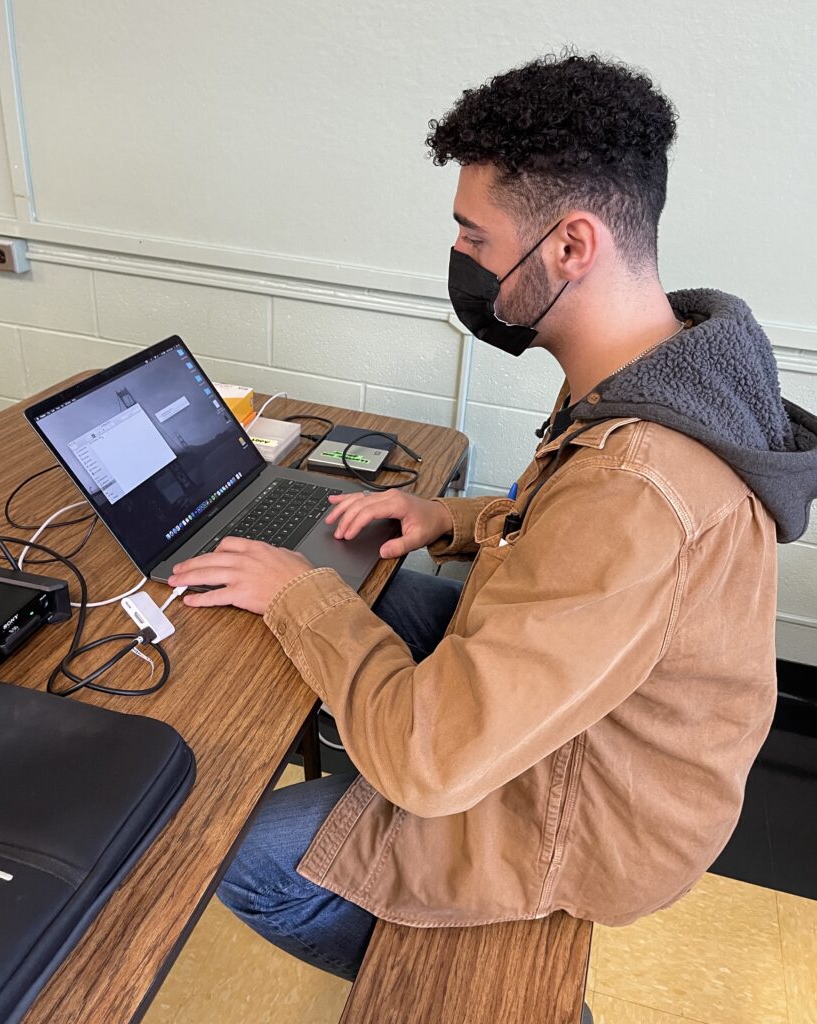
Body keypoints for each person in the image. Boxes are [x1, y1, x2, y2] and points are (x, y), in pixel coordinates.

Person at [167, 51, 817, 983]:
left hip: (595, 814)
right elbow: (561, 531)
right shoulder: (669, 366)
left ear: (571, 245)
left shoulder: (638, 483)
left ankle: (450, 984)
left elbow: (432, 761)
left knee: (243, 852)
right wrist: (448, 519)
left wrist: (301, 598)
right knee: (369, 591)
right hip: (606, 709)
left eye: (475, 238)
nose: (461, 263)